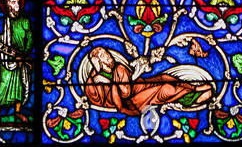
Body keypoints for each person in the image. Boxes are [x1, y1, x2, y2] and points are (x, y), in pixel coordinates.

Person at [81, 45, 214, 115]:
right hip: (135, 99)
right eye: (104, 55)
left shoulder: (119, 68)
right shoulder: (95, 79)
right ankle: (193, 96)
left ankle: (193, 89)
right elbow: (125, 93)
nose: (108, 56)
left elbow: (128, 85)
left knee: (165, 78)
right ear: (98, 61)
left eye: (107, 53)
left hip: (141, 85)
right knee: (166, 88)